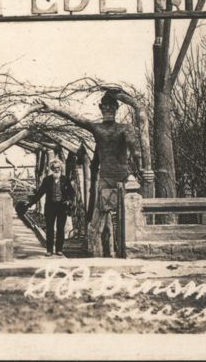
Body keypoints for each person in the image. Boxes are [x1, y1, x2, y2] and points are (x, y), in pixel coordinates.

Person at [38, 91, 142, 257]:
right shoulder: (97, 128)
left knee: (127, 216)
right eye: (104, 107)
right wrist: (53, 108)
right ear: (101, 109)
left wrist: (144, 168)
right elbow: (77, 118)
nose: (107, 110)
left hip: (124, 177)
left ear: (116, 109)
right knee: (98, 221)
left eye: (111, 107)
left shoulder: (125, 128)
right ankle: (100, 252)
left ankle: (128, 249)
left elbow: (135, 150)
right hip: (105, 178)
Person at [26, 159, 75, 257]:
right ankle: (49, 250)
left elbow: (72, 193)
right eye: (54, 168)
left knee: (60, 229)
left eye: (58, 168)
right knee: (49, 229)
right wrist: (30, 204)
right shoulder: (47, 180)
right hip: (50, 207)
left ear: (60, 168)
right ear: (51, 169)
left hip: (62, 207)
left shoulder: (65, 180)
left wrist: (69, 201)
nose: (56, 170)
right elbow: (40, 193)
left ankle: (59, 250)